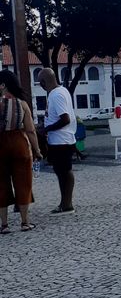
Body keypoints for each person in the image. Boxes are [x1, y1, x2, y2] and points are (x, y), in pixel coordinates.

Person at [0, 70, 41, 233]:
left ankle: (4, 225)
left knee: (1, 184)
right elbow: (31, 130)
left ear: (3, 85)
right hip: (20, 144)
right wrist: (37, 150)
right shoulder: (23, 104)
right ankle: (25, 222)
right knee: (24, 182)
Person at [37, 69, 76, 214]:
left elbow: (65, 119)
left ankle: (67, 204)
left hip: (61, 139)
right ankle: (64, 202)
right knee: (60, 171)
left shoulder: (57, 95)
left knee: (64, 171)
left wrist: (46, 129)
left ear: (43, 82)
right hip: (59, 139)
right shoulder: (61, 91)